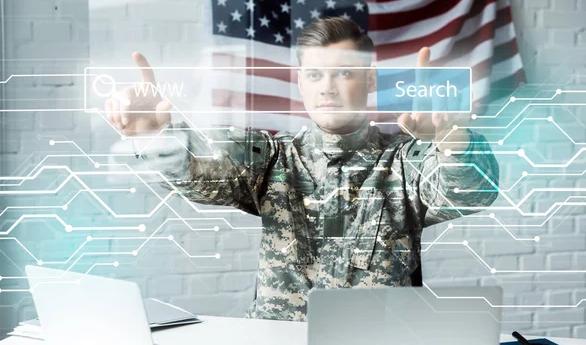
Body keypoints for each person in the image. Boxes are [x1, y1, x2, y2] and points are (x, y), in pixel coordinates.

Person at [104, 17, 499, 322]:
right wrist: (157, 137)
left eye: (344, 72)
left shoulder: (404, 160)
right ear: (300, 83)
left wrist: (450, 138)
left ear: (370, 79)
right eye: (315, 74)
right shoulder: (270, 156)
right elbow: (201, 176)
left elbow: (469, 192)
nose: (327, 87)